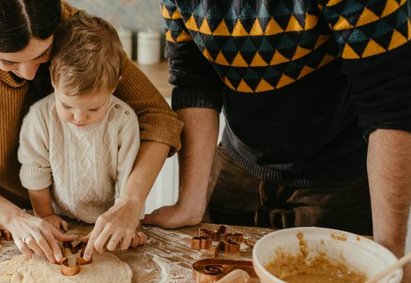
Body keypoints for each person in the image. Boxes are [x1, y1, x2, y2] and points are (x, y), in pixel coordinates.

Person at [144, 0, 411, 279]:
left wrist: (389, 253)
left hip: (336, 179)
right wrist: (190, 203)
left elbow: (389, 107)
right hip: (236, 168)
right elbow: (194, 80)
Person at [0, 0, 182, 264]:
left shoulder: (77, 30)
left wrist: (130, 201)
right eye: (8, 61)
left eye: (42, 55)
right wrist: (14, 217)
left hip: (58, 216)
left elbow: (159, 118)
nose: (29, 73)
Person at [18, 11, 147, 247]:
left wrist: (131, 223)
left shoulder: (123, 120)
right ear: (53, 79)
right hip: (60, 218)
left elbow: (127, 182)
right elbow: (35, 171)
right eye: (67, 105)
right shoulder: (40, 117)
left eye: (94, 109)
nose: (79, 118)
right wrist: (45, 215)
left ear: (115, 84)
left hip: (108, 221)